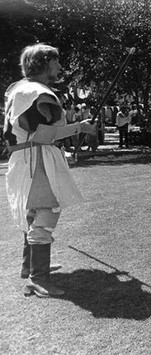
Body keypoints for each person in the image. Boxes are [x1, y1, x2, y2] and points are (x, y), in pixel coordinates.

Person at [3, 44, 96, 297]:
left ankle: (29, 266)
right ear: (43, 64)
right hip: (35, 156)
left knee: (33, 213)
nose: (59, 67)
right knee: (44, 214)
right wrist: (80, 127)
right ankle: (37, 277)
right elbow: (44, 134)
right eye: (55, 62)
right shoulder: (37, 93)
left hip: (26, 157)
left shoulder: (19, 90)